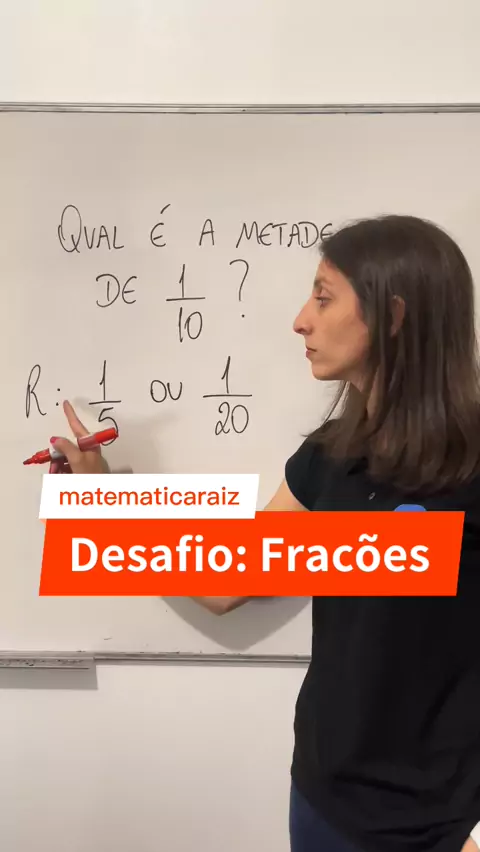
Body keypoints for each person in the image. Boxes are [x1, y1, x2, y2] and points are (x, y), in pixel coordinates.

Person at [53, 215, 480, 852]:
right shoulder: (331, 457)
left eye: (324, 299)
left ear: (392, 316)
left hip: (438, 826)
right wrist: (102, 497)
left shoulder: (471, 467)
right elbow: (226, 582)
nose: (301, 321)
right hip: (322, 799)